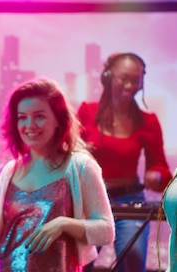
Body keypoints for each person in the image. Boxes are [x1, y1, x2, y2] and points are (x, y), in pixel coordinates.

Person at [0, 78, 115, 271]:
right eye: (22, 117)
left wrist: (63, 224)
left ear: (58, 119)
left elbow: (106, 231)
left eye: (39, 116)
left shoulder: (80, 166)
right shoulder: (9, 171)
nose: (29, 125)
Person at [77, 52, 171, 272]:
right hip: (90, 201)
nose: (129, 85)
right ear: (108, 77)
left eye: (135, 80)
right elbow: (68, 156)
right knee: (80, 263)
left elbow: (161, 168)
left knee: (132, 261)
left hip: (130, 201)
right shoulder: (87, 112)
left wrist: (155, 176)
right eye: (123, 78)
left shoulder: (148, 121)